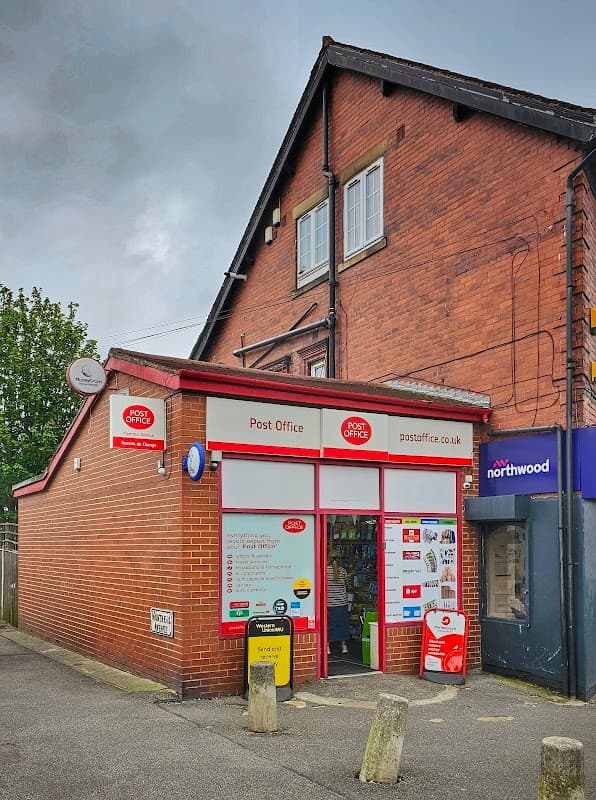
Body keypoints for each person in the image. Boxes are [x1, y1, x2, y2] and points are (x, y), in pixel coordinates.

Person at [326, 550, 349, 655]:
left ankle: (327, 647)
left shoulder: (325, 571)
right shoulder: (343, 571)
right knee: (342, 625)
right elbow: (347, 584)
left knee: (328, 625)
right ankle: (344, 646)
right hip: (341, 603)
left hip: (328, 603)